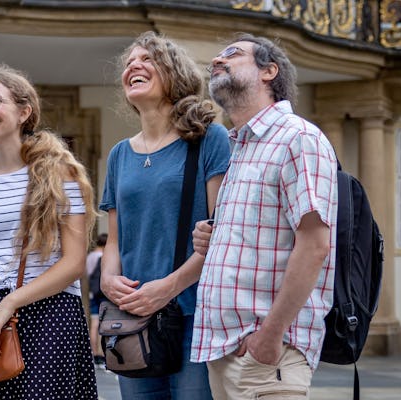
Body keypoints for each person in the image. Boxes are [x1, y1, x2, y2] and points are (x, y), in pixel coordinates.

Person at [190, 33, 337, 399]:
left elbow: (316, 245)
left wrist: (270, 337)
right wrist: (213, 238)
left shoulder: (299, 137)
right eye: (216, 59)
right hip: (225, 351)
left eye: (232, 55)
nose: (217, 62)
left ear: (269, 71)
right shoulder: (240, 146)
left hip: (268, 354)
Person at [0, 64, 98, 399]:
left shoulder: (60, 174)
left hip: (52, 312)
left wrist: (10, 304)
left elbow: (74, 263)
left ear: (23, 112)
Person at [98, 31, 230, 399]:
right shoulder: (119, 154)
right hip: (132, 318)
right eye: (128, 63)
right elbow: (115, 237)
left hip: (193, 314)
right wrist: (109, 280)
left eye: (147, 59)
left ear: (175, 74)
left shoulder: (209, 139)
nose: (133, 66)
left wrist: (168, 287)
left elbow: (222, 234)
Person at [85, 232, 107, 366]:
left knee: (94, 323)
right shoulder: (102, 257)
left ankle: (94, 352)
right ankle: (101, 352)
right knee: (103, 324)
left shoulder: (90, 257)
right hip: (102, 294)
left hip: (92, 292)